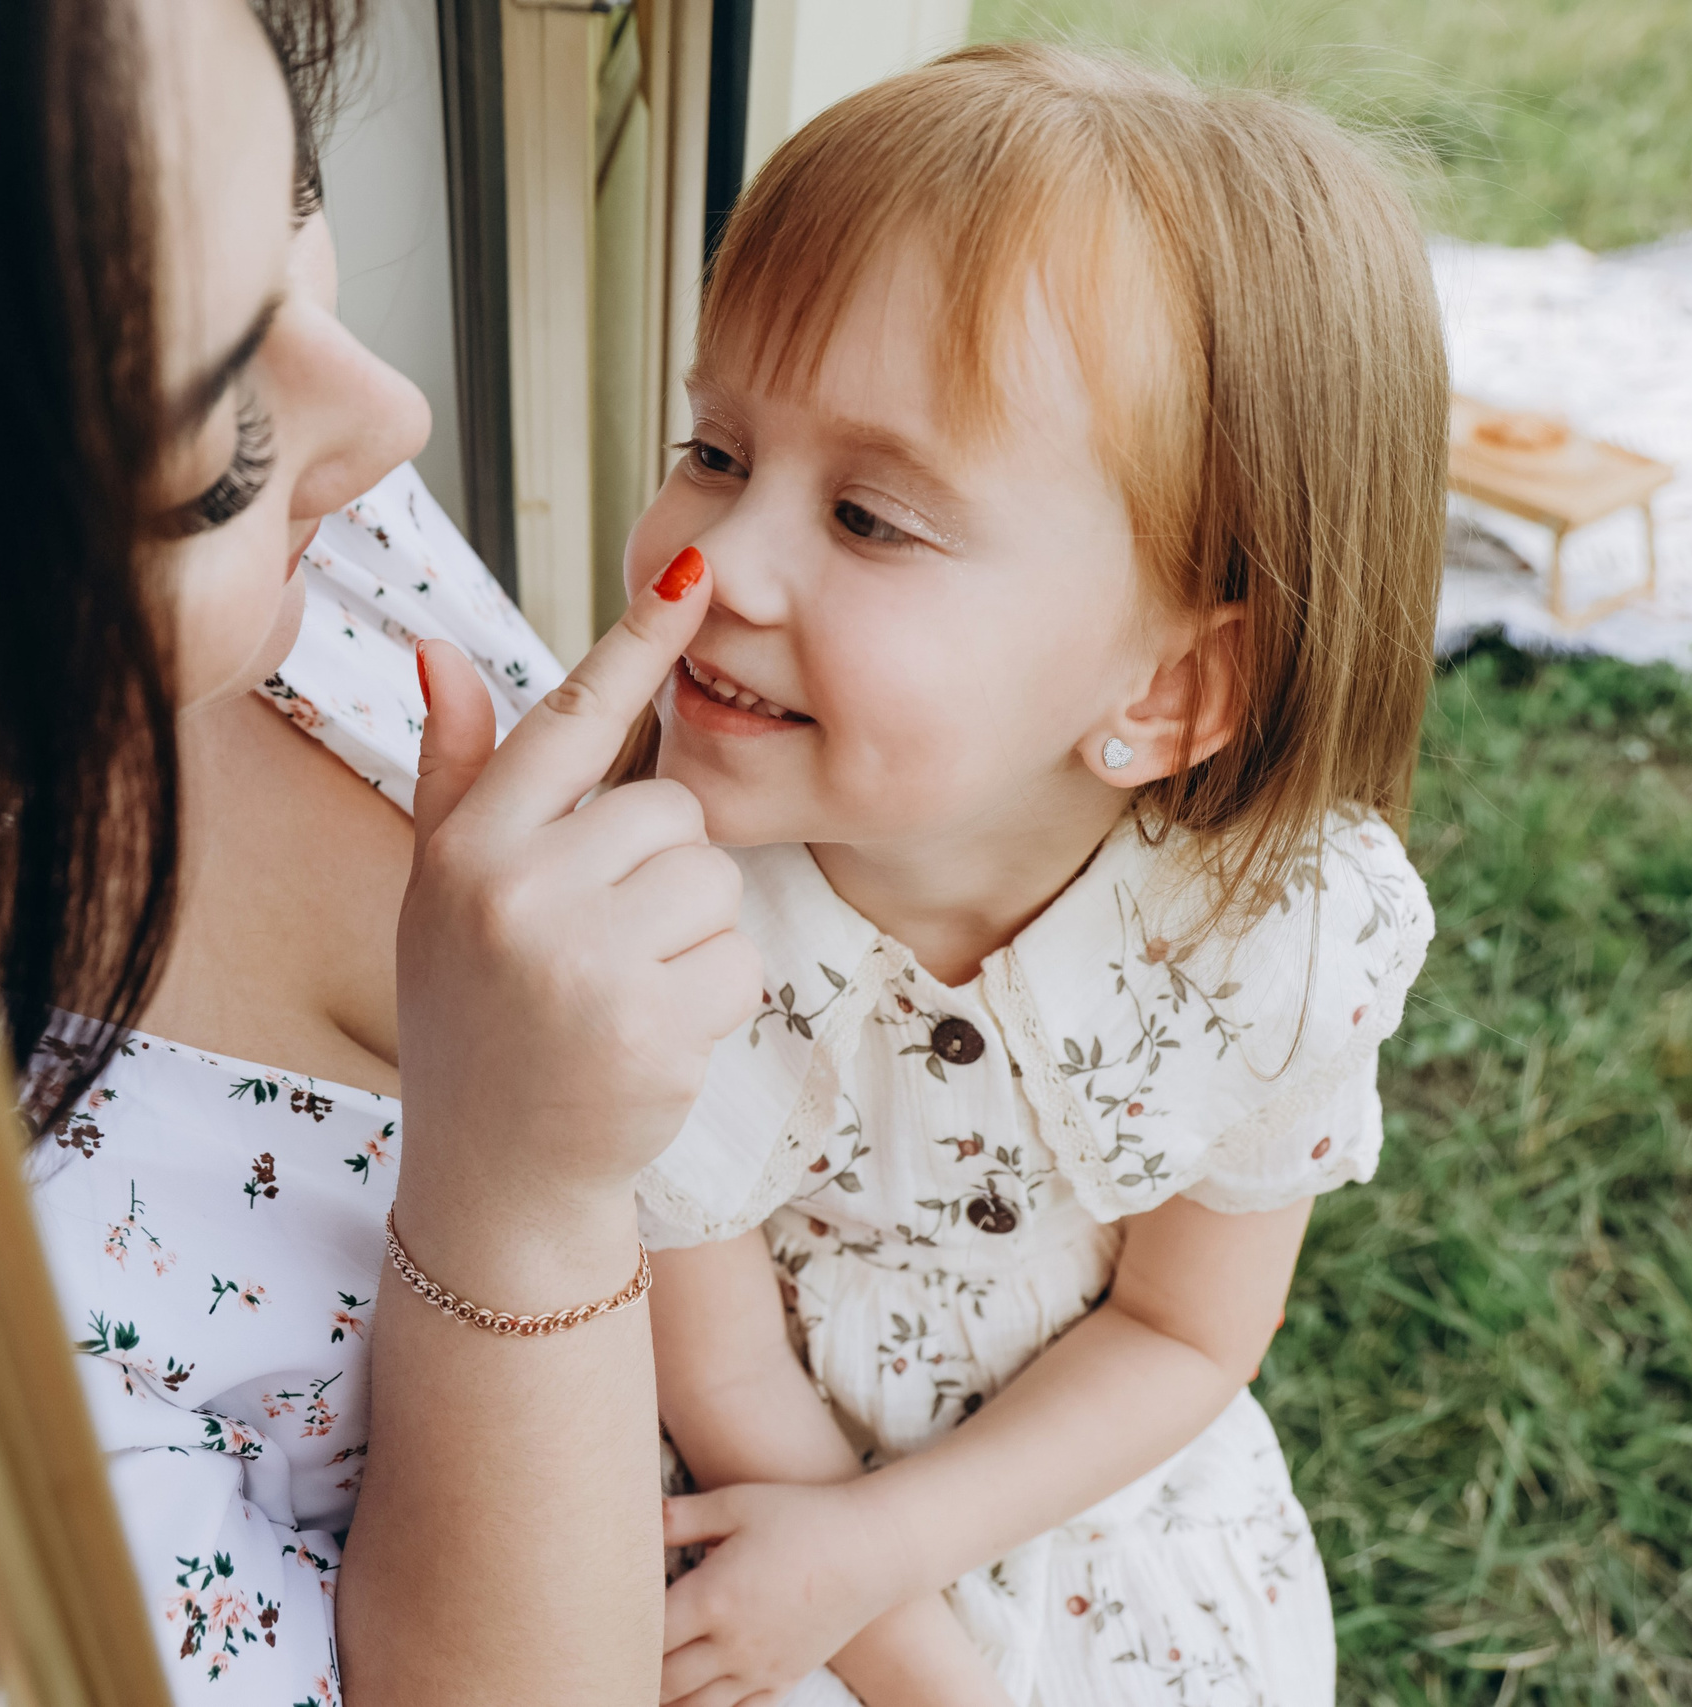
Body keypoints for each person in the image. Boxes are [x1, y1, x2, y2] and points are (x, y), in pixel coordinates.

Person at [0, 2, 756, 1702]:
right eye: (215, 456)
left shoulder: (329, 548)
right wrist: (520, 1203)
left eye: (294, 185)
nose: (394, 419)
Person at [615, 46, 1447, 1707]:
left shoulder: (1271, 940)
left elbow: (1189, 1336)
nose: (722, 566)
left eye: (868, 517)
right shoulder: (651, 909)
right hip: (751, 1501)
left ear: (1168, 693)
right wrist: (912, 1654)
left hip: (1076, 1504)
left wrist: (900, 1562)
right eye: (715, 449)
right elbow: (713, 1366)